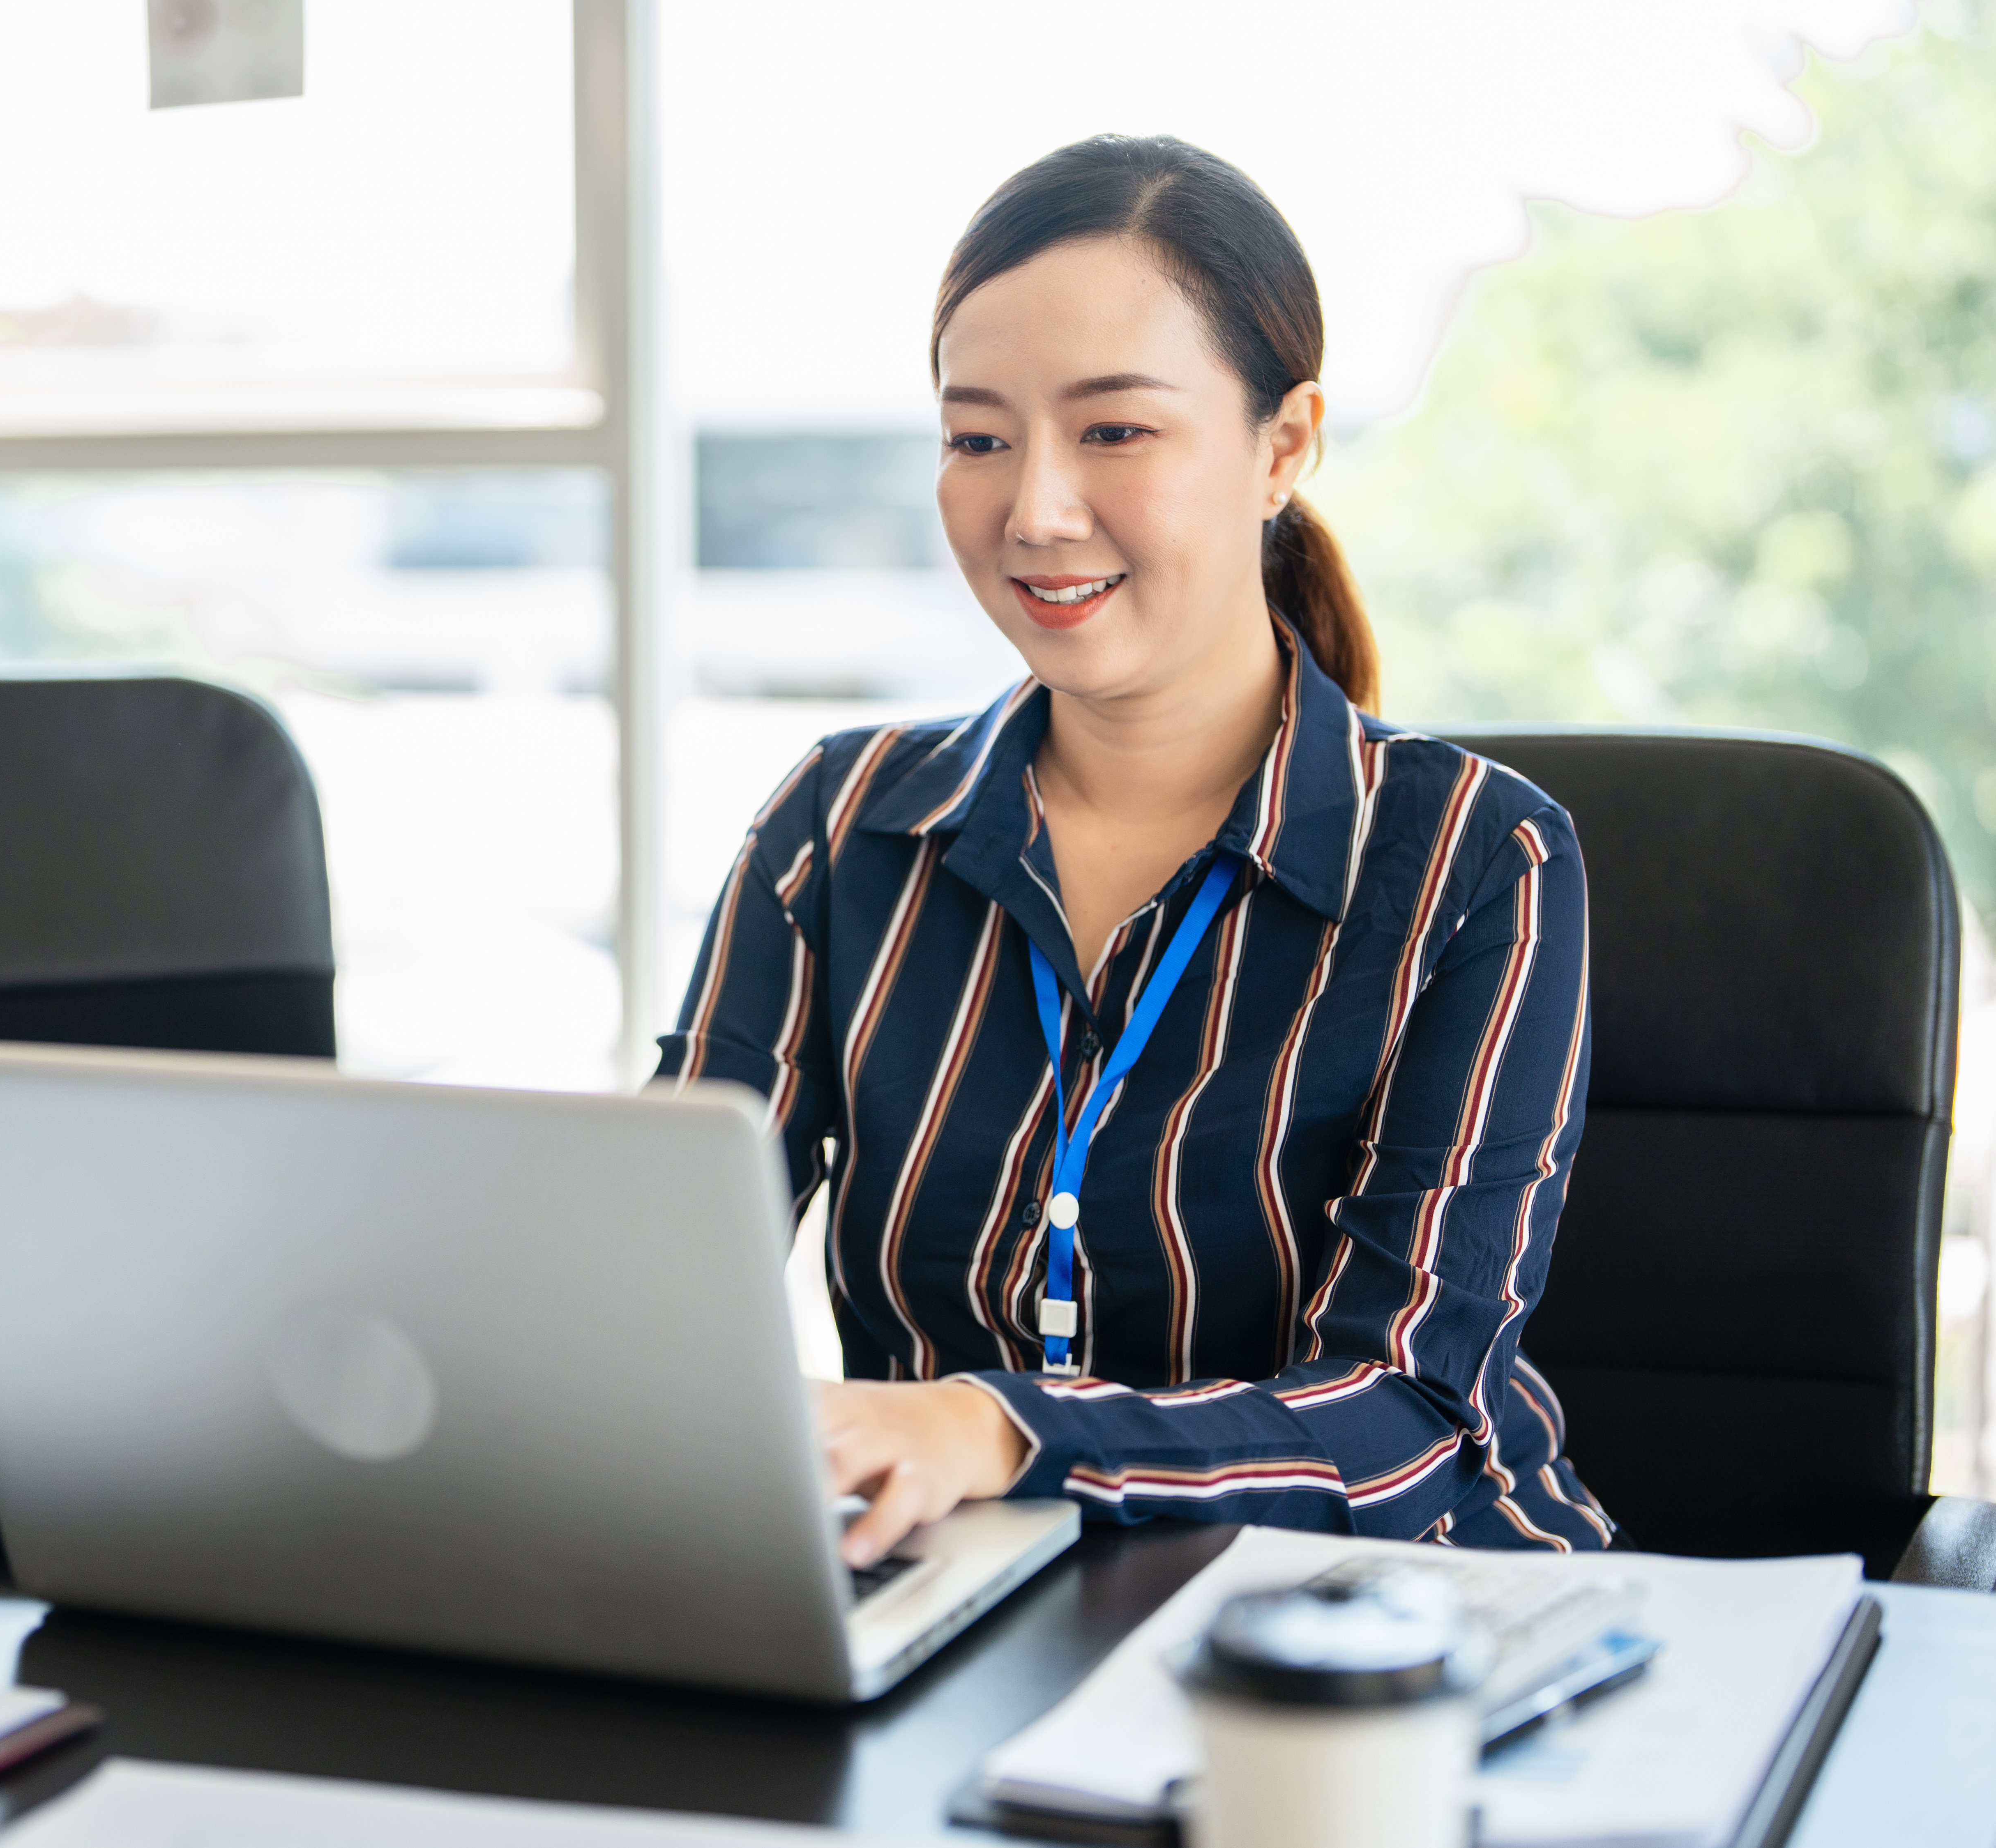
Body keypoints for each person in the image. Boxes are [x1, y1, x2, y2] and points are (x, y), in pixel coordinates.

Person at [658, 135, 1616, 1566]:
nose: (1034, 509)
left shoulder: (1479, 862)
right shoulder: (842, 828)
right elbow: (653, 1286)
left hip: (1371, 1636)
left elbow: (1411, 1411)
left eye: (1115, 431)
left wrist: (997, 1428)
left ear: (1283, 444)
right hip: (957, 1601)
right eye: (978, 437)